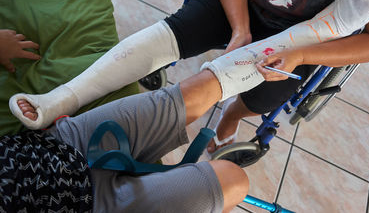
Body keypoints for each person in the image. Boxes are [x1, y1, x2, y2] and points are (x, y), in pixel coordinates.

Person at [9, 0, 369, 153]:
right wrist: (240, 29)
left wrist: (299, 54)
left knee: (262, 97)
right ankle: (65, 98)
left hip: (302, 39)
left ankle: (230, 120)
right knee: (163, 38)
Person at [1, 67, 249, 212]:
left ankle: (280, 43)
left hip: (52, 150)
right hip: (91, 207)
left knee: (204, 87)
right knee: (235, 180)